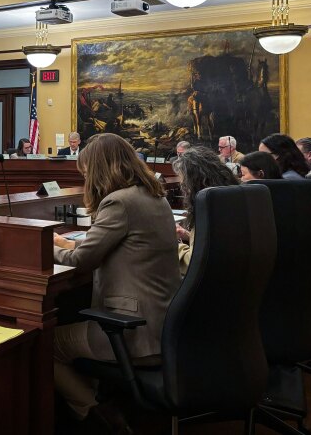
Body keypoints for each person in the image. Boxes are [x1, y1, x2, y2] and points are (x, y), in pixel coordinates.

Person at [52, 133, 179, 425]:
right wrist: (68, 244)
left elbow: (81, 260)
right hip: (164, 327)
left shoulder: (118, 203)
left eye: (85, 173)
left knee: (47, 345)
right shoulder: (153, 195)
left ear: (97, 169)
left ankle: (98, 416)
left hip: (133, 333)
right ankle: (101, 401)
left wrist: (45, 248)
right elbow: (110, 245)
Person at [172, 147, 240, 276]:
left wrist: (173, 245)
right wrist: (188, 235)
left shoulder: (207, 207)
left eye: (183, 182)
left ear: (193, 182)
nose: (182, 187)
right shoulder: (230, 197)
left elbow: (194, 263)